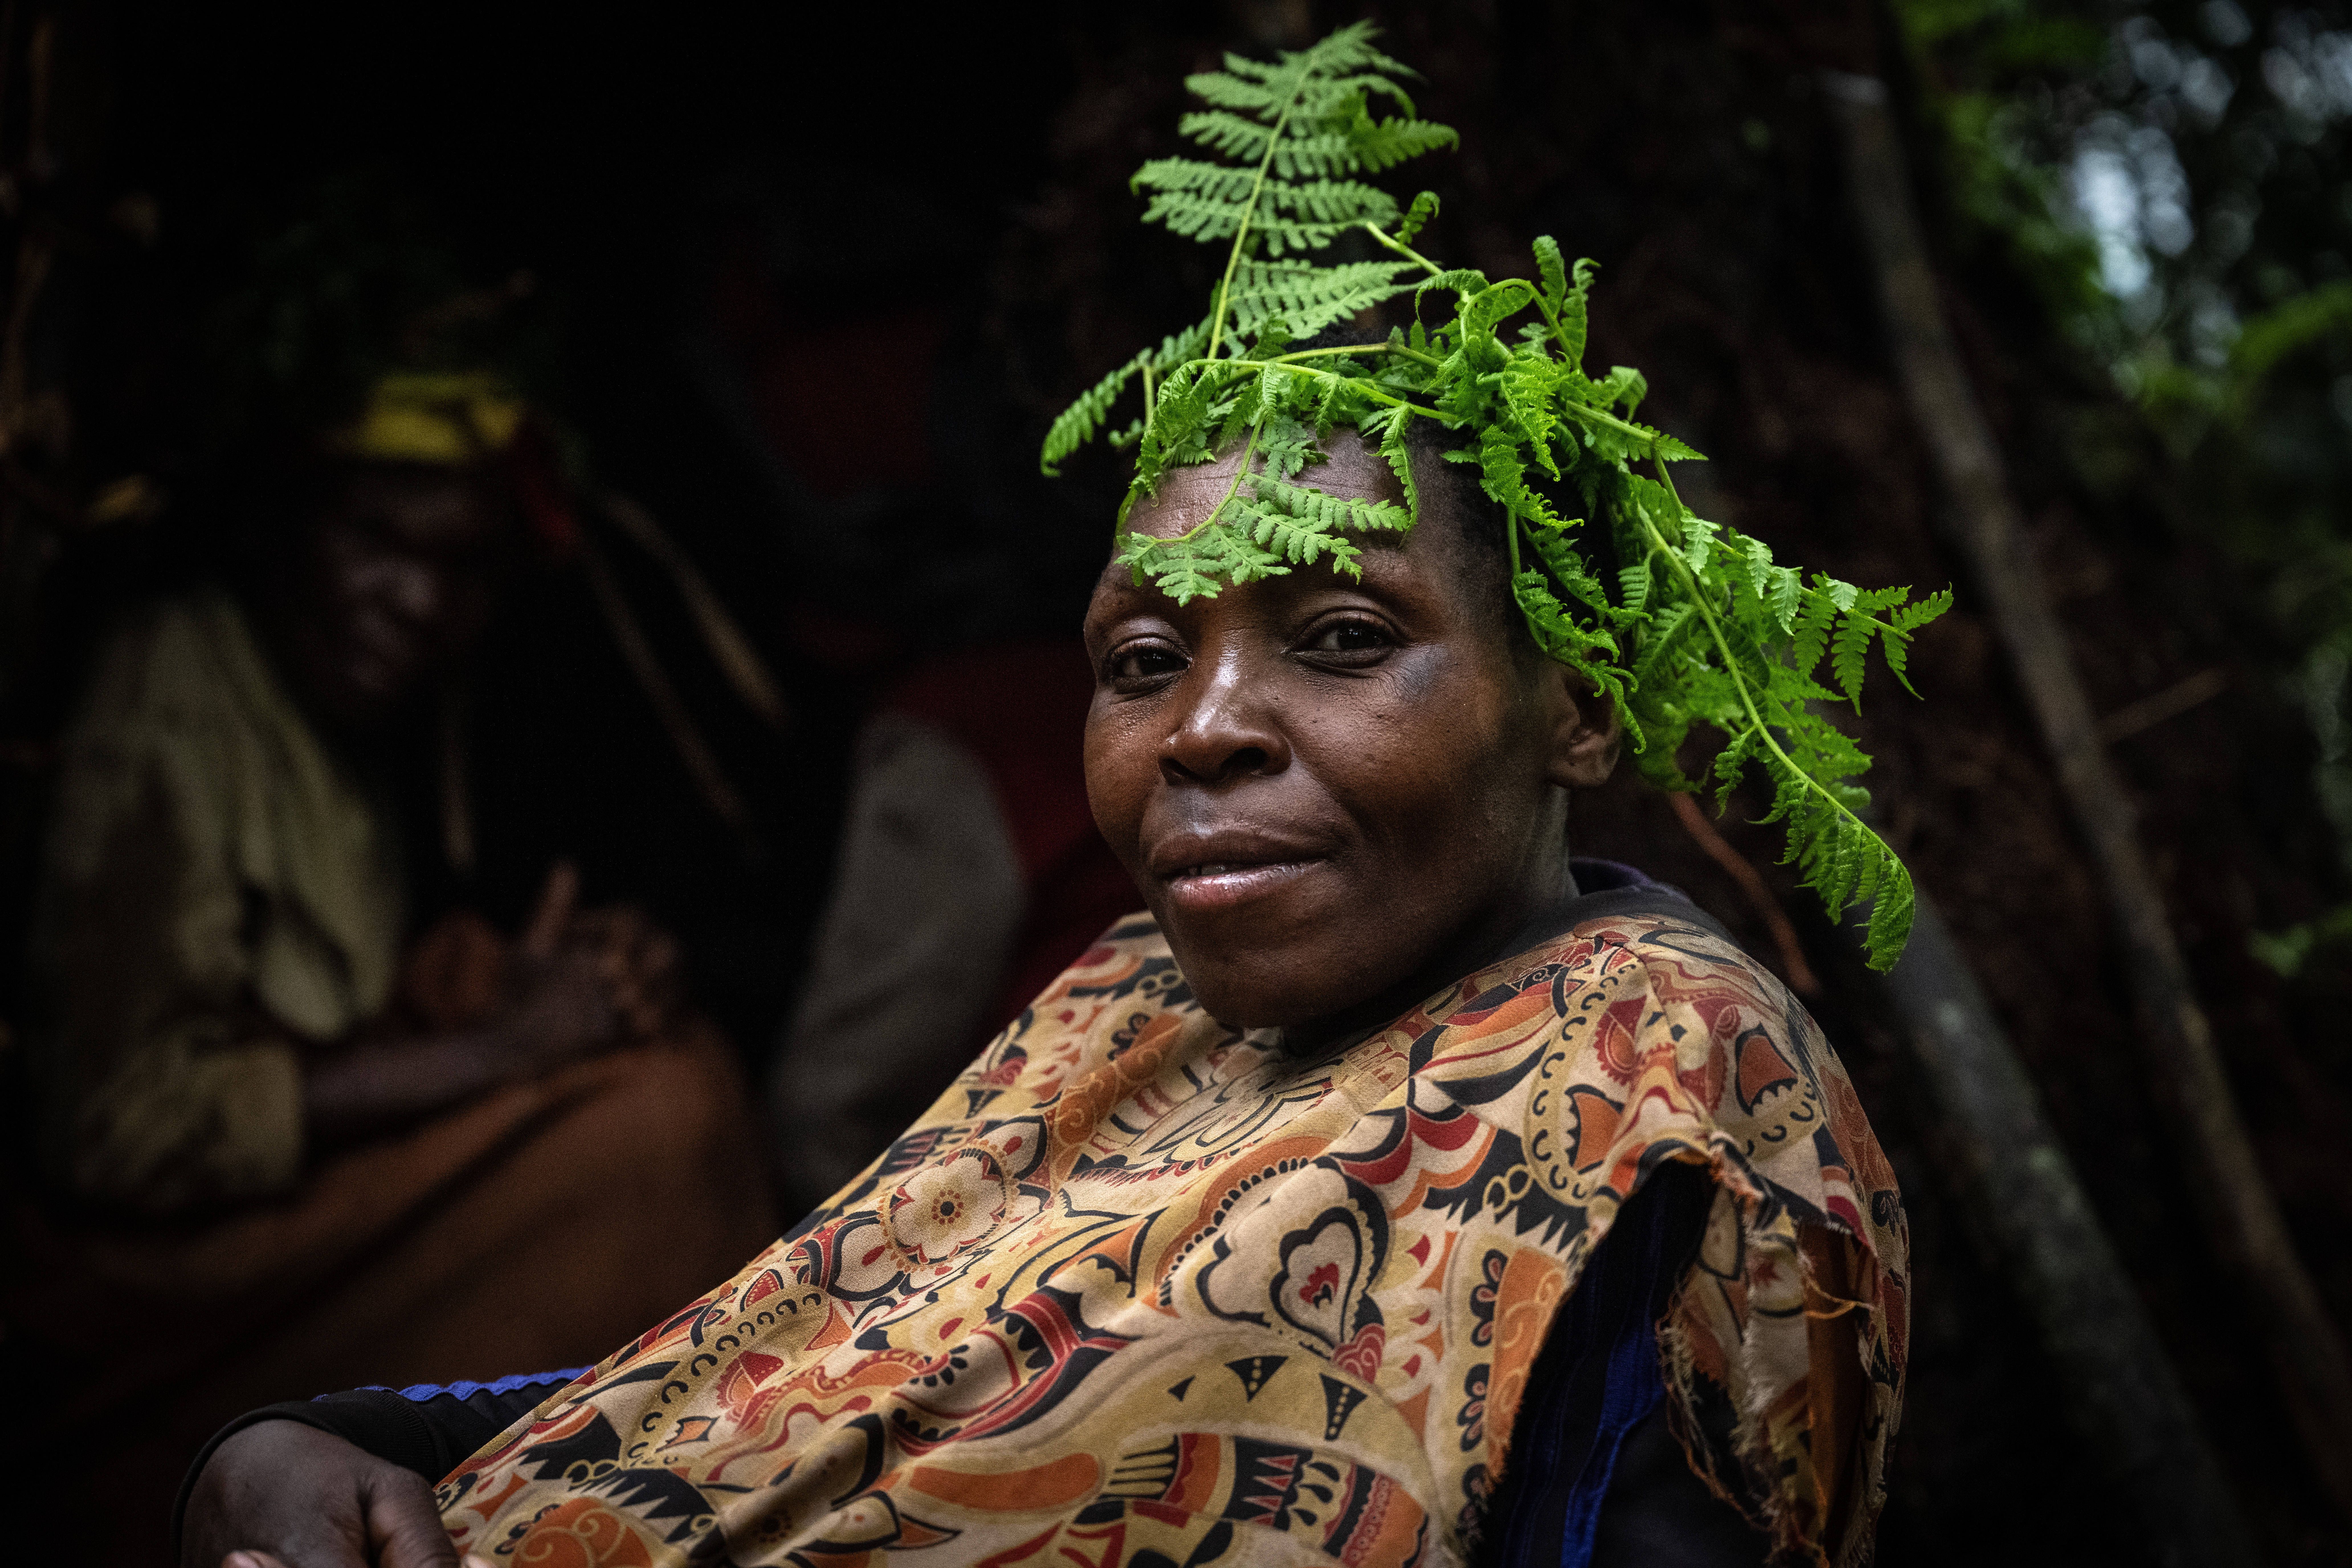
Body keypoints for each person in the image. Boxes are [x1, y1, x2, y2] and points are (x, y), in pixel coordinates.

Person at [180, 428, 1905, 1567]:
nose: (1197, 729)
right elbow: (795, 1372)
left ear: (1577, 709)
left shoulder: (1658, 1086)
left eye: (1341, 637)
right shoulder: (1136, 1006)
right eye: (1140, 665)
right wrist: (314, 1445)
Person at [10, 372, 776, 1568]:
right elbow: (120, 1126)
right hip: (153, 1292)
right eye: (377, 537)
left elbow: (323, 1000)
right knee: (658, 1129)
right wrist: (495, 1051)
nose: (417, 598)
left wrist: (495, 987)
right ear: (287, 517)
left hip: (288, 1207)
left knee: (661, 1059)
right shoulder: (172, 690)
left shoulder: (342, 715)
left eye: (464, 566)